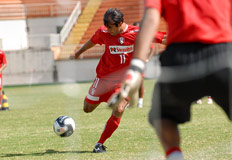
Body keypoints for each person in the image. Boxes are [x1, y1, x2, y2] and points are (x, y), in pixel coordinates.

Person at [110, 0, 232, 159]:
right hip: (224, 55)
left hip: (181, 61)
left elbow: (151, 19)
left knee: (162, 117)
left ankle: (175, 156)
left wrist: (136, 66)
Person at [71, 8, 166, 153]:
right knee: (87, 108)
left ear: (120, 23)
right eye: (106, 27)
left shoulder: (136, 33)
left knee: (119, 109)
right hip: (103, 78)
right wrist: (78, 53)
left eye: (111, 27)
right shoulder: (103, 32)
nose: (108, 30)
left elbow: (162, 38)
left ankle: (100, 143)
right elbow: (92, 42)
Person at [133, 21, 166, 108]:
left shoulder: (145, 38)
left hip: (140, 62)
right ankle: (127, 100)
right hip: (128, 63)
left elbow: (152, 48)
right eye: (136, 28)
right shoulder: (130, 37)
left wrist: (147, 58)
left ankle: (140, 101)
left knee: (140, 81)